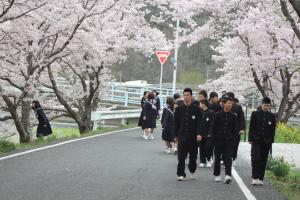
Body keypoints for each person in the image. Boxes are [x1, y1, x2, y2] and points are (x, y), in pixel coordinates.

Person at [174, 88, 202, 181]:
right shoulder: (178, 109)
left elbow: (199, 123)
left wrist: (199, 134)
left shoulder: (197, 109)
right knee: (181, 157)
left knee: (193, 157)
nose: (186, 97)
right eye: (184, 95)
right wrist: (175, 136)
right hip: (182, 136)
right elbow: (176, 123)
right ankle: (180, 174)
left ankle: (192, 170)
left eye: (187, 95)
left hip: (193, 137)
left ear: (191, 96)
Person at [249, 97, 276, 186]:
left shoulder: (272, 116)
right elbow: (251, 127)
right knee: (256, 158)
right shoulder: (255, 114)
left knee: (263, 159)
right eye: (265, 105)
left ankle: (260, 178)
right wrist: (250, 139)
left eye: (268, 106)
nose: (266, 107)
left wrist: (271, 141)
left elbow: (273, 130)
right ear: (261, 104)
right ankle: (254, 177)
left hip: (266, 141)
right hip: (256, 140)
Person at [210, 96, 237, 184]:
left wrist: (232, 140)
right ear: (223, 104)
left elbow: (234, 130)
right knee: (217, 157)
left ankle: (228, 175)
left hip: (229, 140)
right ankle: (217, 175)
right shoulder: (217, 115)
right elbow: (213, 128)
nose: (230, 105)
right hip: (218, 140)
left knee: (228, 158)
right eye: (228, 103)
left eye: (231, 103)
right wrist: (214, 139)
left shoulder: (233, 116)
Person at [226, 92, 246, 166]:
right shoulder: (224, 106)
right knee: (227, 146)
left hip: (236, 130)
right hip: (226, 130)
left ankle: (234, 158)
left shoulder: (238, 107)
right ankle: (227, 160)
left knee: (235, 145)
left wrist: (242, 129)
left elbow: (241, 119)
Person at [198, 99, 214, 168]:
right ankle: (202, 161)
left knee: (208, 147)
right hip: (201, 133)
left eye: (200, 104)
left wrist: (210, 133)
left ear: (204, 104)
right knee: (201, 147)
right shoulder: (199, 112)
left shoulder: (211, 112)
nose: (199, 105)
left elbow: (212, 124)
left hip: (208, 134)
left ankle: (209, 159)